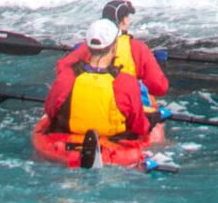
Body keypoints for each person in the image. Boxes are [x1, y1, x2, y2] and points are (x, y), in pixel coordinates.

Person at [41, 18, 154, 146]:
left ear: (87, 47)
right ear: (115, 46)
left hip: (68, 140)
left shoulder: (66, 77)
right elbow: (140, 127)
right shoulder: (127, 82)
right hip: (114, 144)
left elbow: (50, 111)